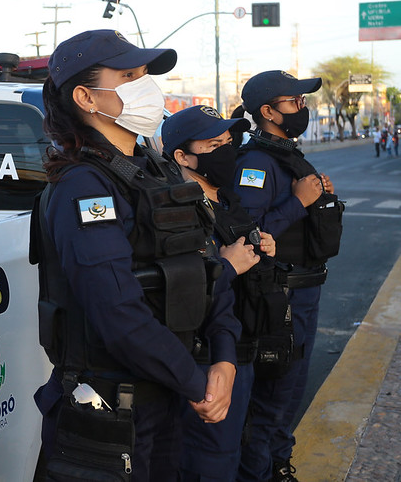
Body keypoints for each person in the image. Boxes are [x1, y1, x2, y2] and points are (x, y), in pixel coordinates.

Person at [29, 29, 252, 480]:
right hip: (111, 414)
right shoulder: (83, 186)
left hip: (169, 396)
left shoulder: (160, 169)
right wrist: (200, 385)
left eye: (145, 73)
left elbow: (208, 270)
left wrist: (224, 359)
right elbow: (117, 312)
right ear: (86, 97)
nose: (146, 85)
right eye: (129, 75)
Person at [231, 70, 345, 482]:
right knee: (273, 396)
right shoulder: (256, 163)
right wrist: (300, 201)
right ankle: (259, 473)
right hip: (279, 298)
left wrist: (318, 196)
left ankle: (278, 464)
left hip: (304, 292)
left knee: (291, 393)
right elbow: (251, 232)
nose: (303, 108)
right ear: (268, 112)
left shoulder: (287, 153)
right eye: (294, 101)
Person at [161, 105, 284, 482]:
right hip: (205, 361)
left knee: (235, 452)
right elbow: (173, 292)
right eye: (215, 144)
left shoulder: (225, 201)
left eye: (230, 141)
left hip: (242, 350)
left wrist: (262, 248)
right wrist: (228, 266)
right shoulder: (171, 209)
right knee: (208, 463)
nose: (228, 151)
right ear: (182, 156)